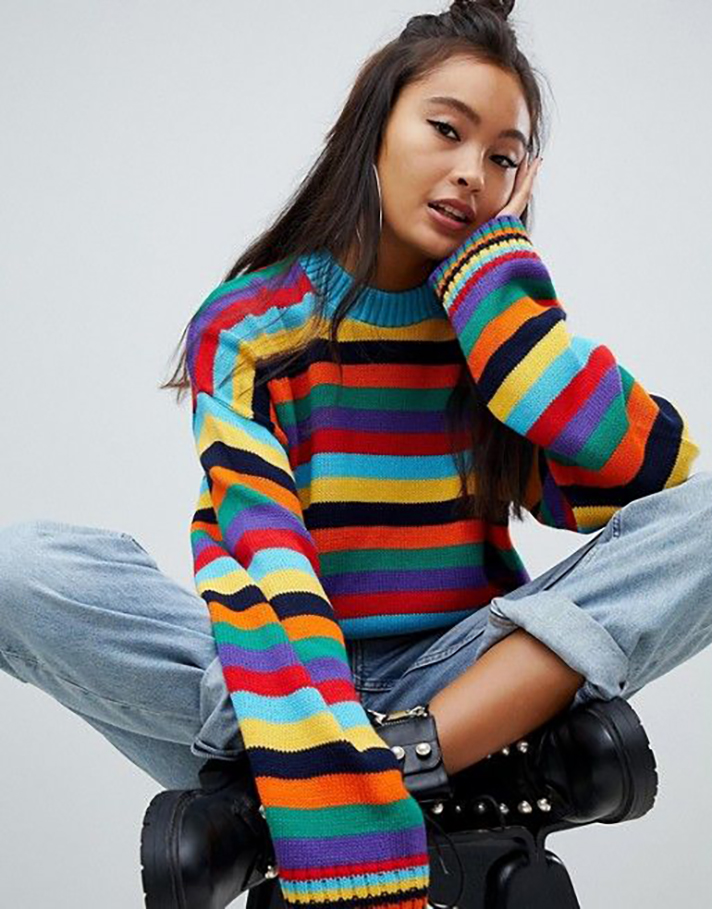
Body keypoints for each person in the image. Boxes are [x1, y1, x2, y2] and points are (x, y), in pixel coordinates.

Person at [0, 1, 709, 908]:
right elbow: (264, 553)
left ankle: (294, 795)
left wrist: (503, 308)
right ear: (374, 129)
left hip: (466, 671)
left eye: (503, 158)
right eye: (446, 130)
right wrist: (320, 723)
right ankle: (440, 765)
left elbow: (658, 484)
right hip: (281, 666)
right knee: (22, 568)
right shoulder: (252, 322)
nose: (471, 172)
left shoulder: (492, 329)